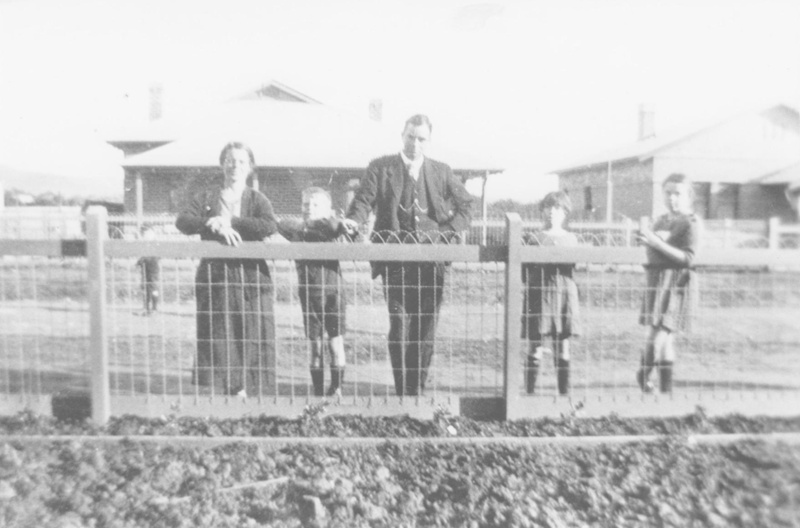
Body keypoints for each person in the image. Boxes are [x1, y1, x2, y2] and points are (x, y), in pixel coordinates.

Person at [343, 114, 473, 396]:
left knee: (425, 328)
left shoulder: (441, 171)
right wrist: (354, 220)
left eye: (421, 138)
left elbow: (466, 207)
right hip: (395, 261)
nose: (415, 143)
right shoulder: (381, 167)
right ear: (402, 136)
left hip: (431, 263)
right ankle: (403, 390)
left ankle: (417, 390)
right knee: (400, 325)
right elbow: (363, 201)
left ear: (429, 141)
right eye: (410, 137)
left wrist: (446, 233)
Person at [175, 141, 278, 397]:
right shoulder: (207, 197)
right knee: (220, 333)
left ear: (250, 167)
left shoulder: (257, 199)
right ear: (223, 164)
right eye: (230, 160)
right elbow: (183, 221)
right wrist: (213, 223)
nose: (235, 166)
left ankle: (247, 390)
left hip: (251, 276)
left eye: (242, 161)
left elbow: (268, 226)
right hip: (216, 276)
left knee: (252, 332)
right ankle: (233, 390)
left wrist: (231, 221)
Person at [278, 187, 354, 397]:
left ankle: (337, 388)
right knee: (315, 347)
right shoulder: (297, 230)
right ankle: (318, 392)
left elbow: (334, 225)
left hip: (333, 293)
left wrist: (334, 223)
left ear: (328, 209)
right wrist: (308, 225)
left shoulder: (330, 227)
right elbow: (282, 224)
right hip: (309, 296)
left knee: (335, 343)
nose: (309, 208)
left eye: (316, 205)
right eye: (305, 204)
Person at [636, 173, 701, 394]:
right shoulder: (661, 221)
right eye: (668, 193)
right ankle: (665, 393)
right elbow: (652, 252)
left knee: (657, 339)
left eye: (678, 194)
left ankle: (642, 376)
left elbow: (689, 258)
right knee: (665, 343)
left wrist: (657, 243)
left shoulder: (691, 222)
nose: (672, 198)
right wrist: (651, 242)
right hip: (658, 284)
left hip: (678, 287)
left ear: (689, 196)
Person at [521, 191, 581, 396]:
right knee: (535, 344)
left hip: (564, 293)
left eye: (557, 208)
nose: (552, 212)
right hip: (540, 294)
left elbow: (572, 267)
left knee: (562, 346)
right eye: (548, 207)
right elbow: (524, 271)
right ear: (542, 210)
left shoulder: (572, 239)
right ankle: (529, 393)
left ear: (565, 212)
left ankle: (563, 394)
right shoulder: (534, 238)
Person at [136, 225, 160, 314]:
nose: (146, 235)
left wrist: (144, 259)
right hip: (145, 265)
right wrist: (140, 261)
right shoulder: (144, 242)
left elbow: (156, 255)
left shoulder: (155, 242)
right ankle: (146, 307)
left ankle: (154, 307)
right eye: (144, 233)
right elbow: (143, 254)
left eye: (147, 233)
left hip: (153, 266)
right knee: (144, 286)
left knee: (153, 286)